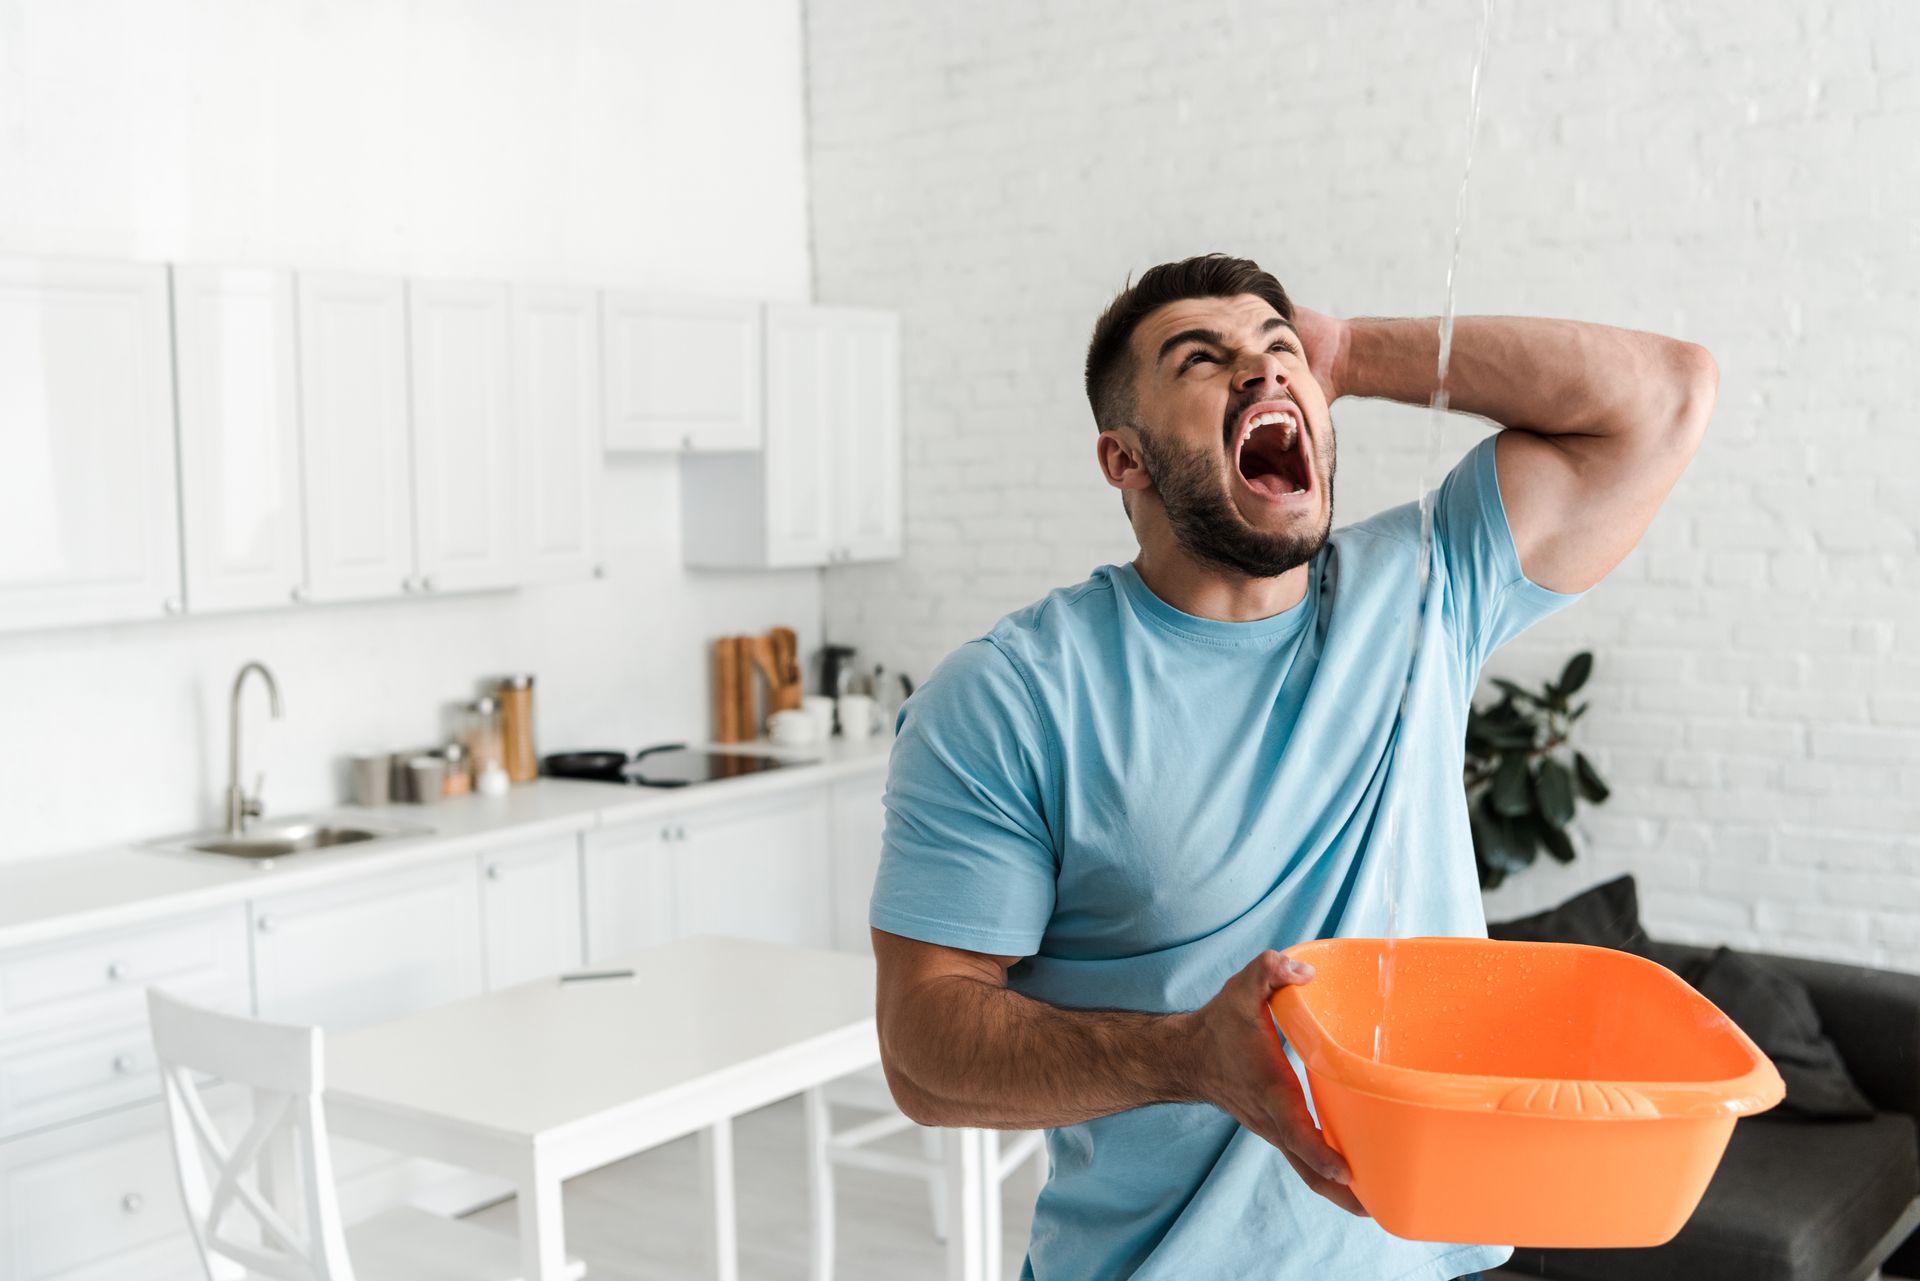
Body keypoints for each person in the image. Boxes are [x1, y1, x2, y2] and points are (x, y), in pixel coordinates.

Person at [868, 254, 1716, 1280]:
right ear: (1124, 460)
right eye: (1204, 361)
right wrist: (1189, 1059)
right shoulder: (1011, 699)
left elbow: (1665, 399)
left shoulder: (1425, 592)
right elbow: (925, 1051)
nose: (1263, 375)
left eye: (1279, 354)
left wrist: (1351, 351)